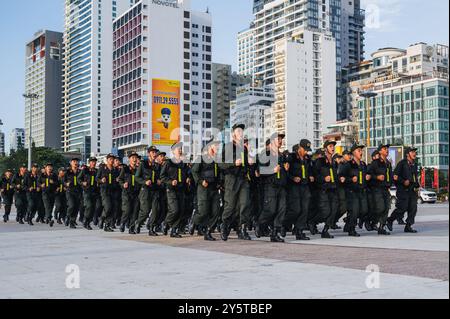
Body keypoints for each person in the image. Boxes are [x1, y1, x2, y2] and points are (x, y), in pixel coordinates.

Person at [219, 124, 252, 241]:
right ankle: (225, 227)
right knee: (230, 206)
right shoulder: (228, 146)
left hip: (243, 179)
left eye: (242, 131)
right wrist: (233, 162)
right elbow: (221, 164)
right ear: (233, 134)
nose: (241, 133)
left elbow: (246, 165)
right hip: (231, 180)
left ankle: (242, 229)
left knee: (244, 205)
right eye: (238, 131)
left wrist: (250, 163)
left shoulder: (244, 148)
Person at [256, 133, 288, 243]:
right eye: (278, 139)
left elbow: (282, 170)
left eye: (281, 139)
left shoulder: (282, 155)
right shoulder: (266, 154)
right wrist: (272, 170)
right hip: (270, 186)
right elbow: (260, 171)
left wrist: (285, 169)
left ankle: (275, 233)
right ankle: (260, 224)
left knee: (281, 210)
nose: (280, 141)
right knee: (271, 210)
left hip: (281, 186)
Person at [191, 139, 222, 241]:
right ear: (210, 147)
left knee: (216, 211)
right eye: (216, 146)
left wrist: (220, 183)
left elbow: (219, 173)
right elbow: (194, 171)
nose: (217, 148)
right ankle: (194, 220)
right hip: (204, 188)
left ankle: (208, 232)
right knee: (203, 212)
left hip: (214, 188)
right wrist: (201, 181)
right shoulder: (202, 158)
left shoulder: (217, 159)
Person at [284, 140, 314, 241]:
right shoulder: (291, 157)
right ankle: (284, 224)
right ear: (300, 148)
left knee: (305, 209)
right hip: (294, 187)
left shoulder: (307, 158)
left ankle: (299, 230)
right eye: (305, 150)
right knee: (296, 209)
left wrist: (310, 176)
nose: (306, 152)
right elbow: (286, 172)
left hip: (305, 186)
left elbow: (310, 170)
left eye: (307, 150)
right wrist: (293, 178)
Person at [161, 142, 190, 238]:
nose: (180, 150)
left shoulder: (183, 163)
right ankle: (165, 223)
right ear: (173, 151)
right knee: (174, 210)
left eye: (181, 148)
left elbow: (187, 173)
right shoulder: (168, 163)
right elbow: (162, 176)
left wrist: (188, 178)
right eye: (178, 149)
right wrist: (170, 182)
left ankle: (174, 230)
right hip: (171, 189)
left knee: (181, 210)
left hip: (181, 189)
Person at [387, 147, 420, 233]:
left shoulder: (414, 164)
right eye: (412, 152)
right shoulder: (402, 163)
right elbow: (395, 176)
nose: (414, 153)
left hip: (412, 190)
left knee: (413, 208)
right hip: (403, 190)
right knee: (402, 208)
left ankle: (408, 226)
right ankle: (390, 220)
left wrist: (417, 185)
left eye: (414, 152)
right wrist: (403, 181)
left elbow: (414, 177)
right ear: (407, 154)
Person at [340, 144, 370, 237]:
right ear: (353, 153)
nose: (361, 152)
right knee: (355, 211)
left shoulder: (363, 165)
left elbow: (365, 176)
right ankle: (351, 229)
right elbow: (341, 177)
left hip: (362, 191)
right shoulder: (348, 165)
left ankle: (348, 221)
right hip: (352, 192)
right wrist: (350, 179)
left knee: (364, 210)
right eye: (358, 151)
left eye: (361, 151)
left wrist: (368, 177)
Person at [311, 141, 339, 239]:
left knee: (334, 210)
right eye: (330, 146)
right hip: (324, 189)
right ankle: (312, 221)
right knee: (326, 211)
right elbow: (315, 175)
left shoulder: (334, 162)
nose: (333, 148)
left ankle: (325, 230)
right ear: (325, 148)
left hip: (333, 189)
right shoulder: (320, 161)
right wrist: (323, 179)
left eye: (333, 146)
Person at [135, 146, 162, 235]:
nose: (155, 154)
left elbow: (160, 176)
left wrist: (159, 180)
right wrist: (145, 182)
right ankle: (138, 223)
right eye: (153, 152)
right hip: (145, 190)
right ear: (149, 153)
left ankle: (151, 228)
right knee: (146, 211)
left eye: (155, 152)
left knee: (156, 210)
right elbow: (137, 177)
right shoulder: (143, 164)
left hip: (155, 190)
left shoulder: (158, 165)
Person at [370, 144, 393, 235]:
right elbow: (368, 175)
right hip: (377, 188)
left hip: (386, 188)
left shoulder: (388, 163)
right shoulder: (375, 163)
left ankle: (381, 227)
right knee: (380, 208)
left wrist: (390, 183)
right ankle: (371, 220)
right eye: (384, 149)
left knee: (386, 208)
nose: (386, 150)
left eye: (387, 149)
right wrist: (377, 177)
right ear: (380, 151)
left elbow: (390, 176)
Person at [118, 152, 141, 234]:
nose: (134, 159)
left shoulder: (139, 169)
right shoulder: (125, 169)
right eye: (132, 158)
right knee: (127, 210)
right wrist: (123, 184)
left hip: (136, 193)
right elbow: (120, 179)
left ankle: (131, 228)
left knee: (135, 211)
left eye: (135, 158)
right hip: (127, 192)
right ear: (129, 159)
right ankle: (123, 222)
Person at [97, 154, 120, 232]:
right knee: (108, 206)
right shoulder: (102, 168)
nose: (112, 160)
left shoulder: (115, 170)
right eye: (110, 159)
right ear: (107, 160)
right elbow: (97, 178)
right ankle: (102, 217)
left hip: (113, 191)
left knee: (113, 208)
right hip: (104, 190)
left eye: (113, 159)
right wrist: (101, 180)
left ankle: (107, 225)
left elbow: (118, 179)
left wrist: (118, 180)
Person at [78, 157, 100, 230]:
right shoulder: (85, 170)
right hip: (87, 191)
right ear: (89, 163)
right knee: (89, 206)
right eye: (92, 162)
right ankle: (85, 220)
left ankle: (88, 221)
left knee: (94, 208)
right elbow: (79, 178)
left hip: (95, 192)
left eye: (95, 162)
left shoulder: (97, 171)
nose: (94, 163)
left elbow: (99, 179)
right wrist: (82, 182)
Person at [65, 158, 82, 229]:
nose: (75, 163)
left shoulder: (80, 171)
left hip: (78, 192)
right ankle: (68, 216)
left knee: (76, 208)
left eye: (76, 161)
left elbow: (84, 179)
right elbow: (63, 181)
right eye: (74, 161)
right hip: (70, 191)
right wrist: (66, 184)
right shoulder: (68, 171)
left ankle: (72, 222)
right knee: (71, 205)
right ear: (71, 163)